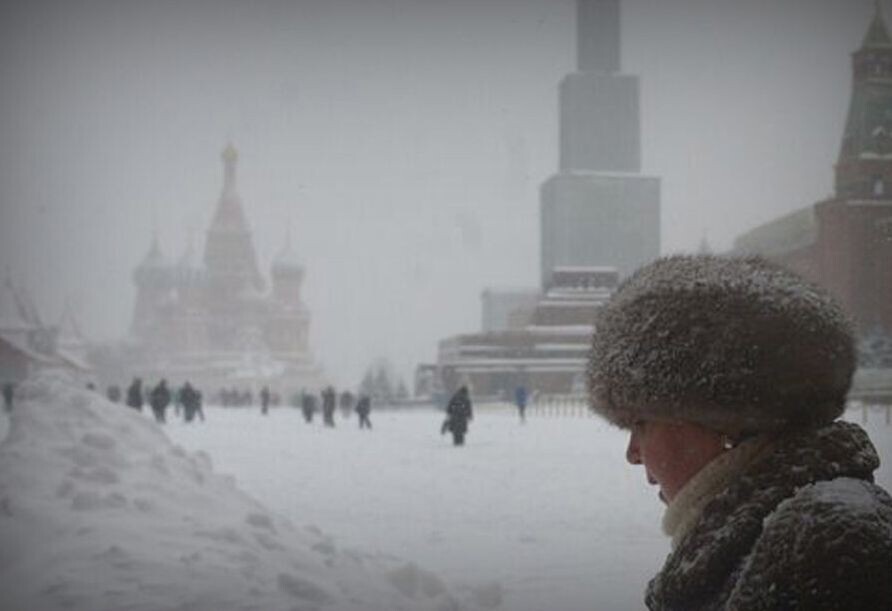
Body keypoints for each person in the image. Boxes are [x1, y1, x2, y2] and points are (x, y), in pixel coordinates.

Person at [587, 254, 892, 610]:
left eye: (641, 423)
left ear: (724, 421)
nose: (633, 454)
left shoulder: (824, 543)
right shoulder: (770, 537)